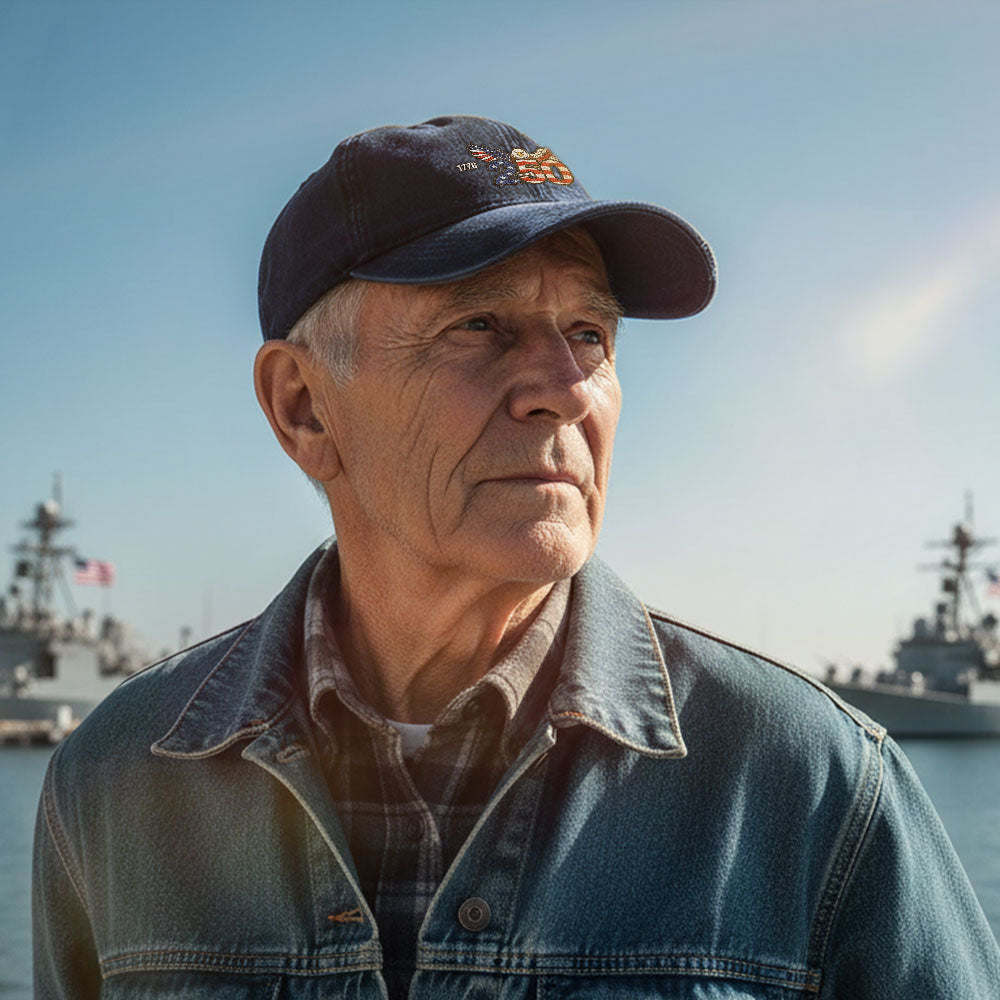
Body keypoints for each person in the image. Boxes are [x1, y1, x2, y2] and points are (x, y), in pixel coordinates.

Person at [33, 115, 999, 999]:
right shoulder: (112, 783)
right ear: (303, 406)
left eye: (590, 334)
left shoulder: (817, 788)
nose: (565, 388)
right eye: (480, 326)